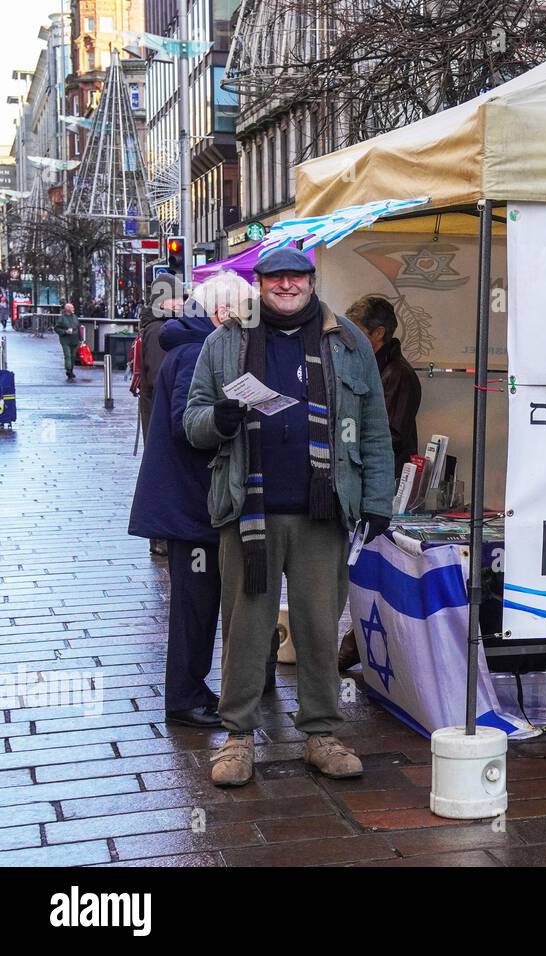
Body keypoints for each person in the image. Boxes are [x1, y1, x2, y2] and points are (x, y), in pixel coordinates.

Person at [185, 247, 395, 788]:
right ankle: (237, 738)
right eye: (274, 277)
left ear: (311, 280)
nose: (285, 285)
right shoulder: (224, 341)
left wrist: (378, 498)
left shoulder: (348, 341)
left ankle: (322, 734)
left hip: (324, 510)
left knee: (320, 629)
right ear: (259, 283)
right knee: (245, 630)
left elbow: (373, 426)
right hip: (247, 512)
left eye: (295, 277)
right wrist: (219, 419)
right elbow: (192, 423)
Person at [128, 273, 257, 727]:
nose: (249, 324)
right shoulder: (194, 352)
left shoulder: (191, 344)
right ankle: (185, 697)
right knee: (195, 604)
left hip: (191, 500)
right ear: (223, 313)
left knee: (198, 600)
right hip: (192, 504)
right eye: (245, 314)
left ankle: (192, 689)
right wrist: (227, 418)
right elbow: (189, 426)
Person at [336, 295, 423, 672]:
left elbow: (386, 435)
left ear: (379, 334)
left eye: (358, 332)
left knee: (373, 565)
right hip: (369, 482)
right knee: (366, 568)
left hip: (384, 486)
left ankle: (355, 643)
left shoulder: (398, 375)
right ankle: (355, 642)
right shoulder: (369, 365)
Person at [139, 275, 186, 557]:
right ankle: (160, 538)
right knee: (162, 474)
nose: (183, 303)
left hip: (158, 410)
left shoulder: (159, 325)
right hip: (160, 412)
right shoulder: (159, 330)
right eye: (178, 298)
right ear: (163, 301)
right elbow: (158, 377)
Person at [54, 302, 79, 381]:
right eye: (72, 308)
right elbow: (57, 328)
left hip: (74, 339)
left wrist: (81, 339)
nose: (73, 309)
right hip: (65, 340)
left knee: (73, 356)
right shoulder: (62, 318)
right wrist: (65, 332)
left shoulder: (75, 317)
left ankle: (71, 370)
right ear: (67, 309)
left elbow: (78, 327)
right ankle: (68, 370)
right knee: (67, 355)